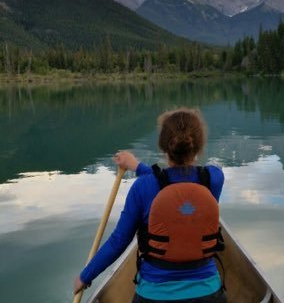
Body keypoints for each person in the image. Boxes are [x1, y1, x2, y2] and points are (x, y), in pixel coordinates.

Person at [74, 107, 226, 302]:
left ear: (164, 147)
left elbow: (119, 241)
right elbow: (176, 181)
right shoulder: (214, 178)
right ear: (198, 146)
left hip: (153, 297)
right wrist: (138, 167)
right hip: (208, 295)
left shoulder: (143, 188)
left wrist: (85, 276)